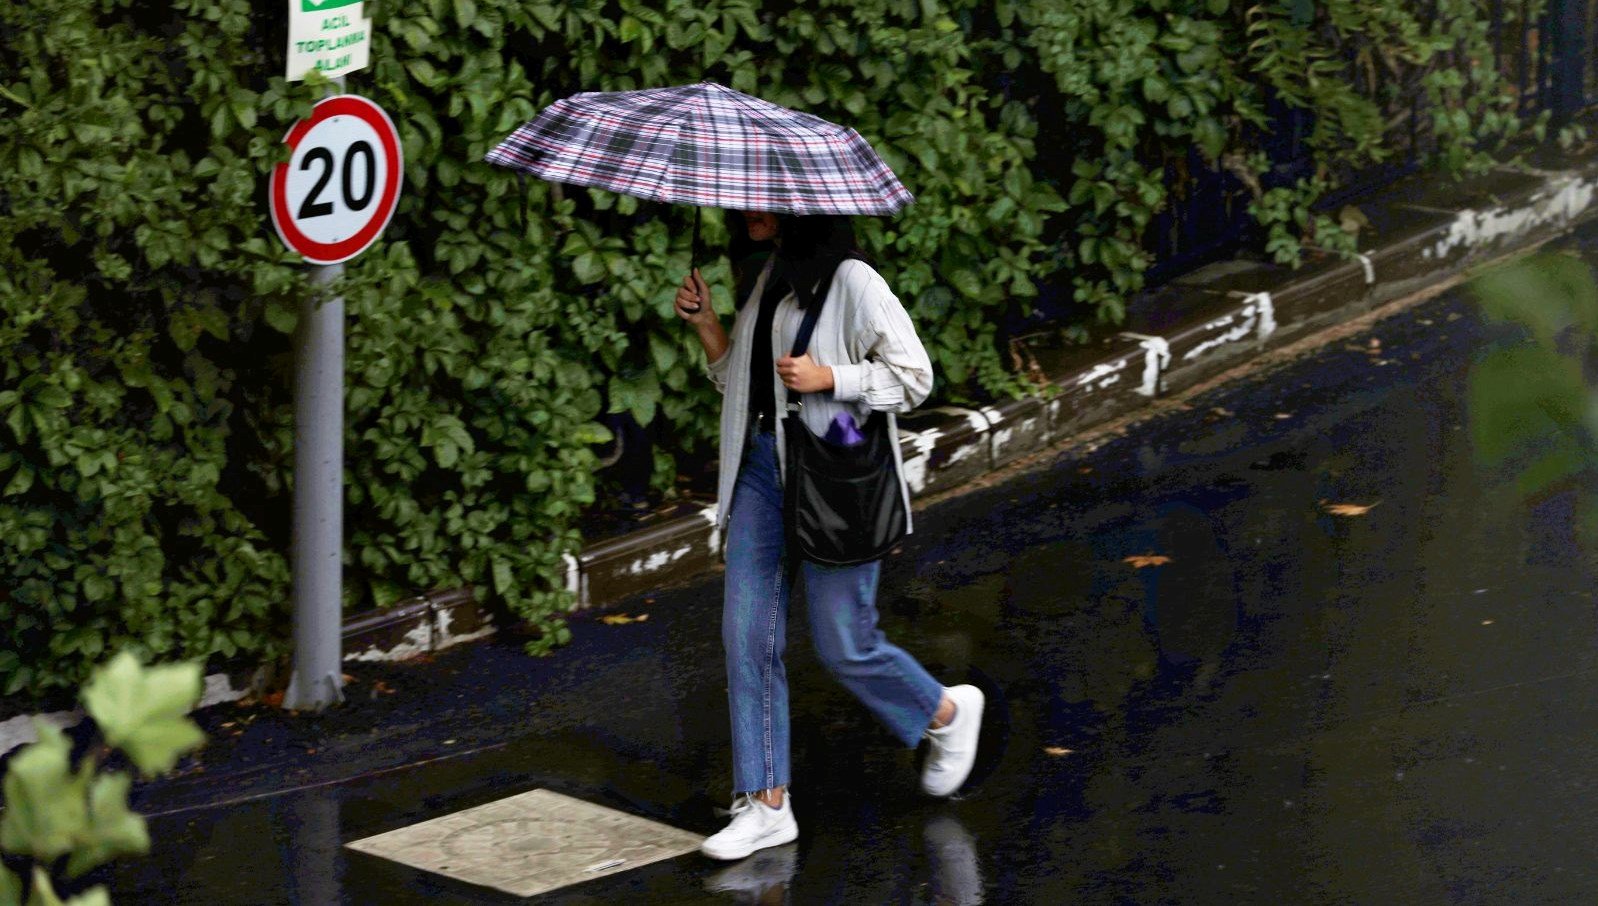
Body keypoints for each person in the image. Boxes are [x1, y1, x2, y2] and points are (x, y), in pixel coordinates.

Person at [673, 210, 985, 862]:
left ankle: (945, 714)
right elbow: (747, 388)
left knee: (845, 645)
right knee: (746, 636)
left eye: (765, 200)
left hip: (830, 484)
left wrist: (832, 378)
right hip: (760, 475)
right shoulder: (770, 281)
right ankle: (766, 805)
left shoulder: (854, 282)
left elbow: (915, 377)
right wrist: (707, 327)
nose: (749, 210)